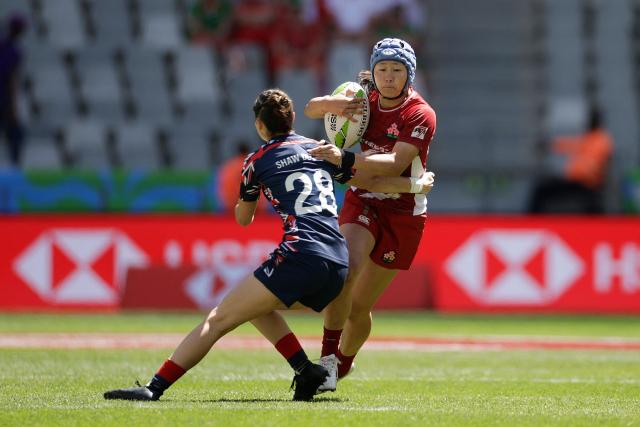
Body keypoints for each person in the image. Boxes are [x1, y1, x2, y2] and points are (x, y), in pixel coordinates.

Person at [103, 88, 433, 402]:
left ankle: (154, 387)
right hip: (338, 260)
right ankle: (306, 370)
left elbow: (243, 219)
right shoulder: (319, 149)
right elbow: (369, 180)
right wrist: (415, 184)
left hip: (301, 253)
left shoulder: (256, 161)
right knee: (256, 308)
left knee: (219, 318)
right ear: (291, 120)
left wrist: (249, 192)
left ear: (260, 125)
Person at [304, 37, 437, 387]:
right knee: (343, 276)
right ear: (372, 72)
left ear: (409, 74)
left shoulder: (420, 114)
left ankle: (344, 362)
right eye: (382, 69)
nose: (389, 77)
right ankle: (327, 362)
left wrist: (345, 159)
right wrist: (335, 103)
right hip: (363, 199)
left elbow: (394, 165)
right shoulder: (362, 100)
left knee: (359, 307)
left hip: (404, 210)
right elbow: (311, 109)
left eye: (397, 70)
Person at [528, 106, 613, 214]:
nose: (589, 122)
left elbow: (601, 163)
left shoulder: (602, 140)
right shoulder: (589, 137)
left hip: (587, 183)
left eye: (592, 119)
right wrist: (551, 144)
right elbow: (571, 144)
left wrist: (592, 173)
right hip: (576, 180)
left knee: (543, 190)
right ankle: (533, 220)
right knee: (542, 188)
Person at [0, 14, 27, 167]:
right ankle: (15, 166)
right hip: (4, 102)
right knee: (16, 134)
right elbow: (12, 81)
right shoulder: (14, 52)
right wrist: (13, 109)